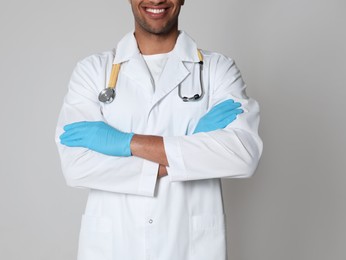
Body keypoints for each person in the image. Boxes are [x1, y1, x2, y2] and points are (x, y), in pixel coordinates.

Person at [55, 0, 263, 259]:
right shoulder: (93, 71)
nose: (156, 0)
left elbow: (242, 155)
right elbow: (76, 166)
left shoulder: (217, 70)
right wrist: (192, 146)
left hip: (187, 246)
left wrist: (127, 143)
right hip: (115, 246)